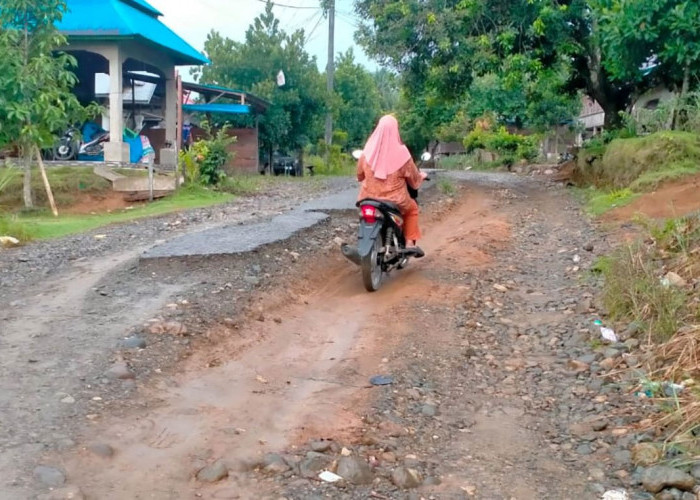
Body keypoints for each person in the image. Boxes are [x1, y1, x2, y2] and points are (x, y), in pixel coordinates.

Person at [356, 115, 428, 257]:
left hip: (368, 198)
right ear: (396, 130)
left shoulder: (367, 152)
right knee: (412, 208)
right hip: (395, 201)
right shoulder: (402, 153)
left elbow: (359, 176)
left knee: (363, 216)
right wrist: (422, 176)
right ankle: (409, 243)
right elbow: (414, 181)